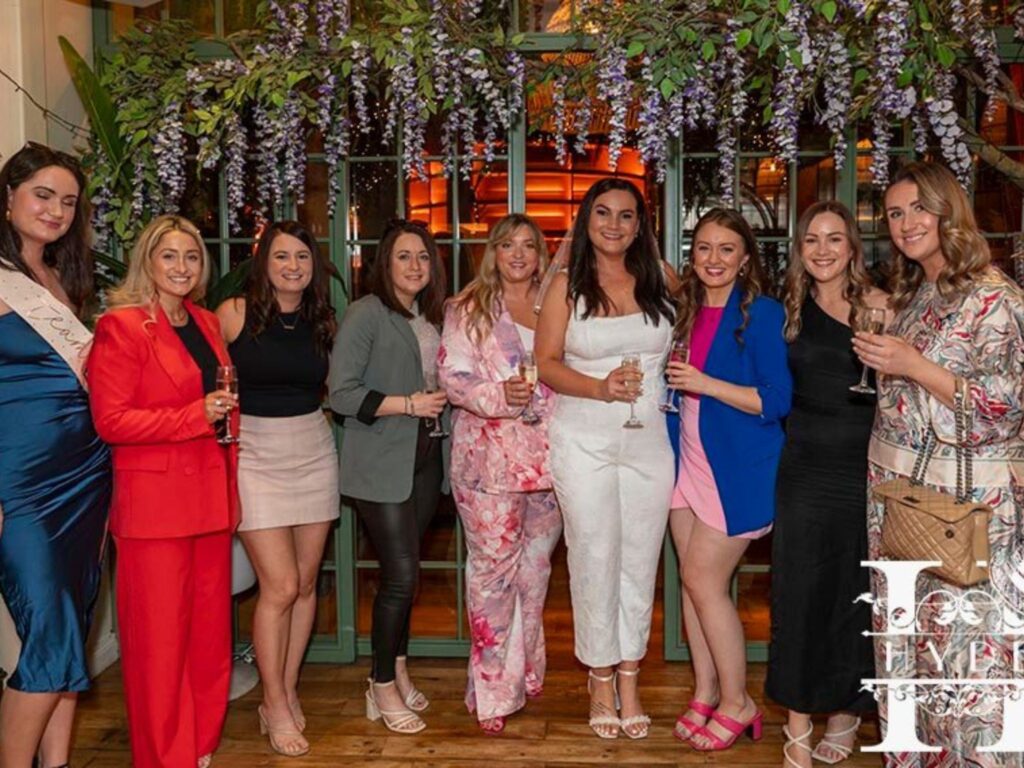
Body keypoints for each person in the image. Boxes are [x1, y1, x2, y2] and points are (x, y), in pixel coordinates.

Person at [853, 161, 1024, 767]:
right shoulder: (917, 292)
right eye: (895, 213)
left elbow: (1005, 411)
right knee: (910, 656)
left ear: (948, 211)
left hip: (964, 509)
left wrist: (911, 365)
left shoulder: (992, 298)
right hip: (903, 504)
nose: (905, 224)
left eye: (918, 209)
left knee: (969, 658)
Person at [87, 214, 238, 768]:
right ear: (147, 261)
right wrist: (192, 416)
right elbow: (112, 421)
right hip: (154, 512)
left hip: (210, 500)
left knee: (207, 638)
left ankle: (198, 745)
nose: (181, 267)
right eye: (169, 255)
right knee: (158, 648)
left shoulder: (205, 321)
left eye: (191, 257)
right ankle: (162, 757)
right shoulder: (123, 327)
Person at [536, 178, 676, 740]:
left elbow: (696, 334)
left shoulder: (664, 280)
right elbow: (545, 363)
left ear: (640, 225)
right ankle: (598, 678)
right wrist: (598, 388)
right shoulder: (566, 287)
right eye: (603, 213)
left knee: (641, 560)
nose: (614, 225)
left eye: (626, 215)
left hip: (650, 443)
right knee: (594, 557)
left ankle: (631, 677)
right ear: (586, 221)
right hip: (584, 440)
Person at [0, 142, 111, 768]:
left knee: (75, 622)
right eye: (43, 194)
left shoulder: (64, 280)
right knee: (51, 630)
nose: (56, 210)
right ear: (9, 195)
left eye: (68, 201)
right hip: (19, 483)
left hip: (87, 476)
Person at [666, 208, 791, 752]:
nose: (713, 259)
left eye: (726, 249)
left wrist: (705, 383)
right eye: (703, 248)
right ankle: (706, 689)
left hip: (738, 469)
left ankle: (740, 702)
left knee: (704, 583)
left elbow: (776, 400)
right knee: (692, 586)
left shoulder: (761, 313)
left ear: (745, 258)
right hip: (685, 462)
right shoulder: (684, 309)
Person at [767, 202, 885, 767]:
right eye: (811, 239)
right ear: (800, 248)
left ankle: (844, 712)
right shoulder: (787, 310)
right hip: (804, 468)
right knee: (798, 593)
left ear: (853, 248)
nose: (822, 249)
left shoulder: (882, 307)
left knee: (852, 596)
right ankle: (796, 727)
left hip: (864, 466)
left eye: (834, 239)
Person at [215, 220, 339, 757]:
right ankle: (274, 697)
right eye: (283, 257)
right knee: (281, 586)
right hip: (257, 454)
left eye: (303, 258)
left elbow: (334, 387)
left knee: (308, 583)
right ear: (264, 262)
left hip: (314, 446)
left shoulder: (323, 321)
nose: (293, 266)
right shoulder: (235, 314)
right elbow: (199, 378)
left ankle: (283, 690)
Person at [438, 213, 562, 735]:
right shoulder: (468, 307)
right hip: (487, 464)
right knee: (492, 578)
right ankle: (493, 688)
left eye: (528, 246)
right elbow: (452, 377)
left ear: (541, 254)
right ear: (492, 251)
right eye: (507, 245)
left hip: (552, 463)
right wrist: (498, 397)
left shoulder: (558, 304)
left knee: (535, 576)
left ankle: (526, 668)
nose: (517, 254)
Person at [328, 219, 448, 735]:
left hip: (424, 460)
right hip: (380, 461)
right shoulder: (365, 314)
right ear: (384, 263)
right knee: (399, 577)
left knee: (409, 576)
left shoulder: (430, 317)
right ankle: (378, 685)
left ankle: (397, 669)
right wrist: (409, 404)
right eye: (404, 256)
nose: (414, 266)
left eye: (422, 257)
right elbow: (342, 394)